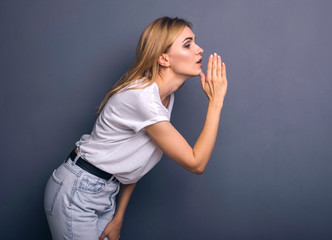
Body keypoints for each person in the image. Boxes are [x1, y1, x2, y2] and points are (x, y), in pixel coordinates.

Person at [44, 16, 227, 240]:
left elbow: (135, 162)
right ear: (163, 59)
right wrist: (215, 102)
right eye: (187, 44)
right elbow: (196, 163)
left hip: (104, 192)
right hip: (78, 191)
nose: (199, 49)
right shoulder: (144, 98)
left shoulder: (165, 97)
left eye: (195, 42)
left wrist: (119, 216)